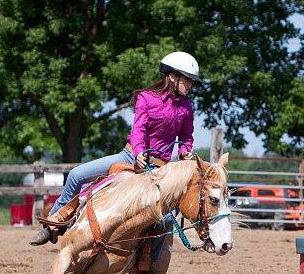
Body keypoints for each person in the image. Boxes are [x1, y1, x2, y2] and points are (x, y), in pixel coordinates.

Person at [29, 51, 202, 246]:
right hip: (129, 157)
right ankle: (53, 224)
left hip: (161, 169)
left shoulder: (186, 107)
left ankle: (150, 266)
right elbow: (138, 129)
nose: (190, 85)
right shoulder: (146, 98)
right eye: (188, 79)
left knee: (166, 218)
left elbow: (186, 136)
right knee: (76, 175)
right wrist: (138, 153)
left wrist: (184, 150)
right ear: (172, 76)